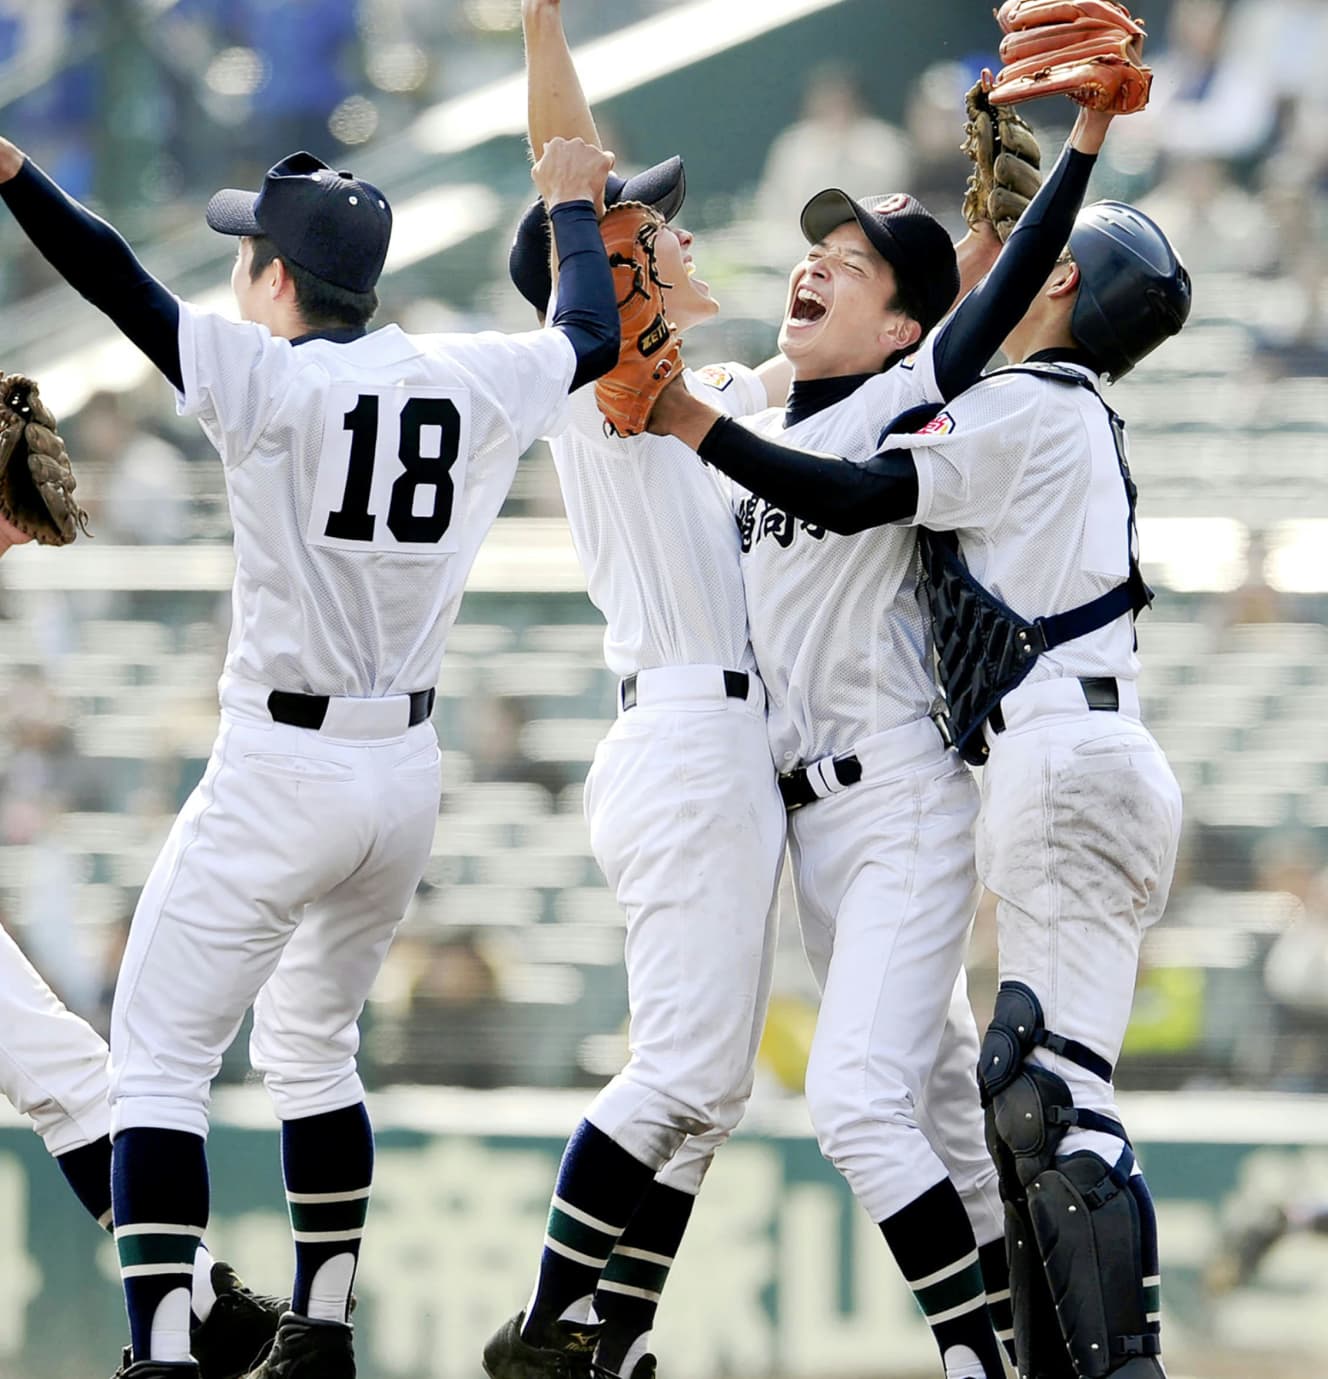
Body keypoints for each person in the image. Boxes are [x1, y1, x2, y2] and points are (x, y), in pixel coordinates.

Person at [0, 124, 620, 1379]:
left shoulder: (270, 381)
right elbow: (594, 340)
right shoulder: (473, 373)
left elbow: (113, 275)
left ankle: (162, 1350)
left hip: (281, 766)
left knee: (163, 1055)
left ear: (277, 277)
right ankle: (322, 1323)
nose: (237, 267)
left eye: (247, 251)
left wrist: (16, 179)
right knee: (311, 1046)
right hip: (402, 776)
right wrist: (570, 213)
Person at [651, 191, 1190, 1378]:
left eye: (847, 262)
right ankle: (1028, 1352)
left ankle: (1026, 1363)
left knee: (1028, 1106)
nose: (819, 268)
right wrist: (999, 213)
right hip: (1009, 762)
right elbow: (947, 320)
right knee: (992, 1108)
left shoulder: (1014, 406)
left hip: (1004, 763)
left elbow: (869, 459)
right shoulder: (1029, 406)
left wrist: (1069, 156)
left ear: (1053, 282)